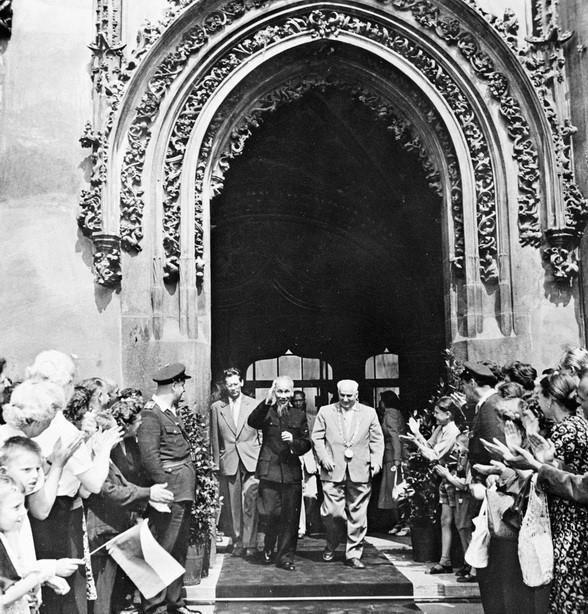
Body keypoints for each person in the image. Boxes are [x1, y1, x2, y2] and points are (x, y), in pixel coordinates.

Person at [136, 362, 196, 614]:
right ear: (175, 385)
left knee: (178, 548)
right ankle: (155, 607)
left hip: (182, 489)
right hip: (169, 491)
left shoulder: (168, 411)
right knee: (162, 549)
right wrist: (162, 490)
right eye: (182, 385)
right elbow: (149, 457)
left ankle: (174, 602)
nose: (184, 390)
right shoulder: (151, 414)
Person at [311, 379, 384, 569]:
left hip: (360, 470)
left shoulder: (369, 413)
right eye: (342, 395)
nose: (345, 399)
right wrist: (323, 458)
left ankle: (353, 554)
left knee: (357, 515)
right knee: (332, 513)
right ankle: (332, 542)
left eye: (349, 396)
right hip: (332, 469)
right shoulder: (325, 412)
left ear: (356, 395)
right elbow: (316, 438)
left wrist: (376, 461)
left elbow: (377, 440)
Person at [536, 372, 588, 614]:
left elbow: (561, 478)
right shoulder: (578, 426)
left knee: (569, 590)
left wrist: (537, 465)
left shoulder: (564, 430)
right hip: (576, 519)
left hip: (570, 521)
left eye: (539, 395)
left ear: (551, 399)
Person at [247, 375, 310, 571]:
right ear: (274, 392)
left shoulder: (299, 415)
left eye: (286, 392)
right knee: (269, 513)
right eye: (279, 391)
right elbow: (252, 422)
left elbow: (306, 444)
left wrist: (293, 442)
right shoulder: (267, 410)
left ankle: (285, 557)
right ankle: (268, 548)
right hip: (269, 471)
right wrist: (266, 401)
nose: (283, 396)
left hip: (291, 473)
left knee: (290, 518)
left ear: (292, 393)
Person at [210, 368, 261, 558]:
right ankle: (238, 540)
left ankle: (251, 543)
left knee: (250, 501)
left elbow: (261, 434)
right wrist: (216, 464)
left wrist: (261, 458)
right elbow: (215, 438)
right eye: (229, 385)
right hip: (230, 461)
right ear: (225, 386)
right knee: (234, 505)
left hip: (251, 460)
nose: (233, 388)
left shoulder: (254, 404)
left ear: (242, 383)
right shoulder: (217, 407)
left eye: (235, 384)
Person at [406, 397, 460, 574]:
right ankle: (445, 560)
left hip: (452, 478)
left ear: (448, 414)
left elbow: (434, 455)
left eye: (437, 413)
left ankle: (465, 564)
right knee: (446, 520)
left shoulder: (452, 431)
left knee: (460, 523)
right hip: (444, 479)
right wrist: (416, 435)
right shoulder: (441, 428)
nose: (434, 415)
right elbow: (429, 445)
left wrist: (416, 441)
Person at [459, 361, 501, 467]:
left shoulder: (490, 406)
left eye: (463, 384)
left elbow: (496, 450)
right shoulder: (487, 404)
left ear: (472, 383)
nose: (463, 390)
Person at [377, 391, 404, 519]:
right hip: (392, 455)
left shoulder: (390, 414)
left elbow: (395, 437)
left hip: (392, 456)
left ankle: (399, 521)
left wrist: (396, 458)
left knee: (393, 489)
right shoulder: (395, 412)